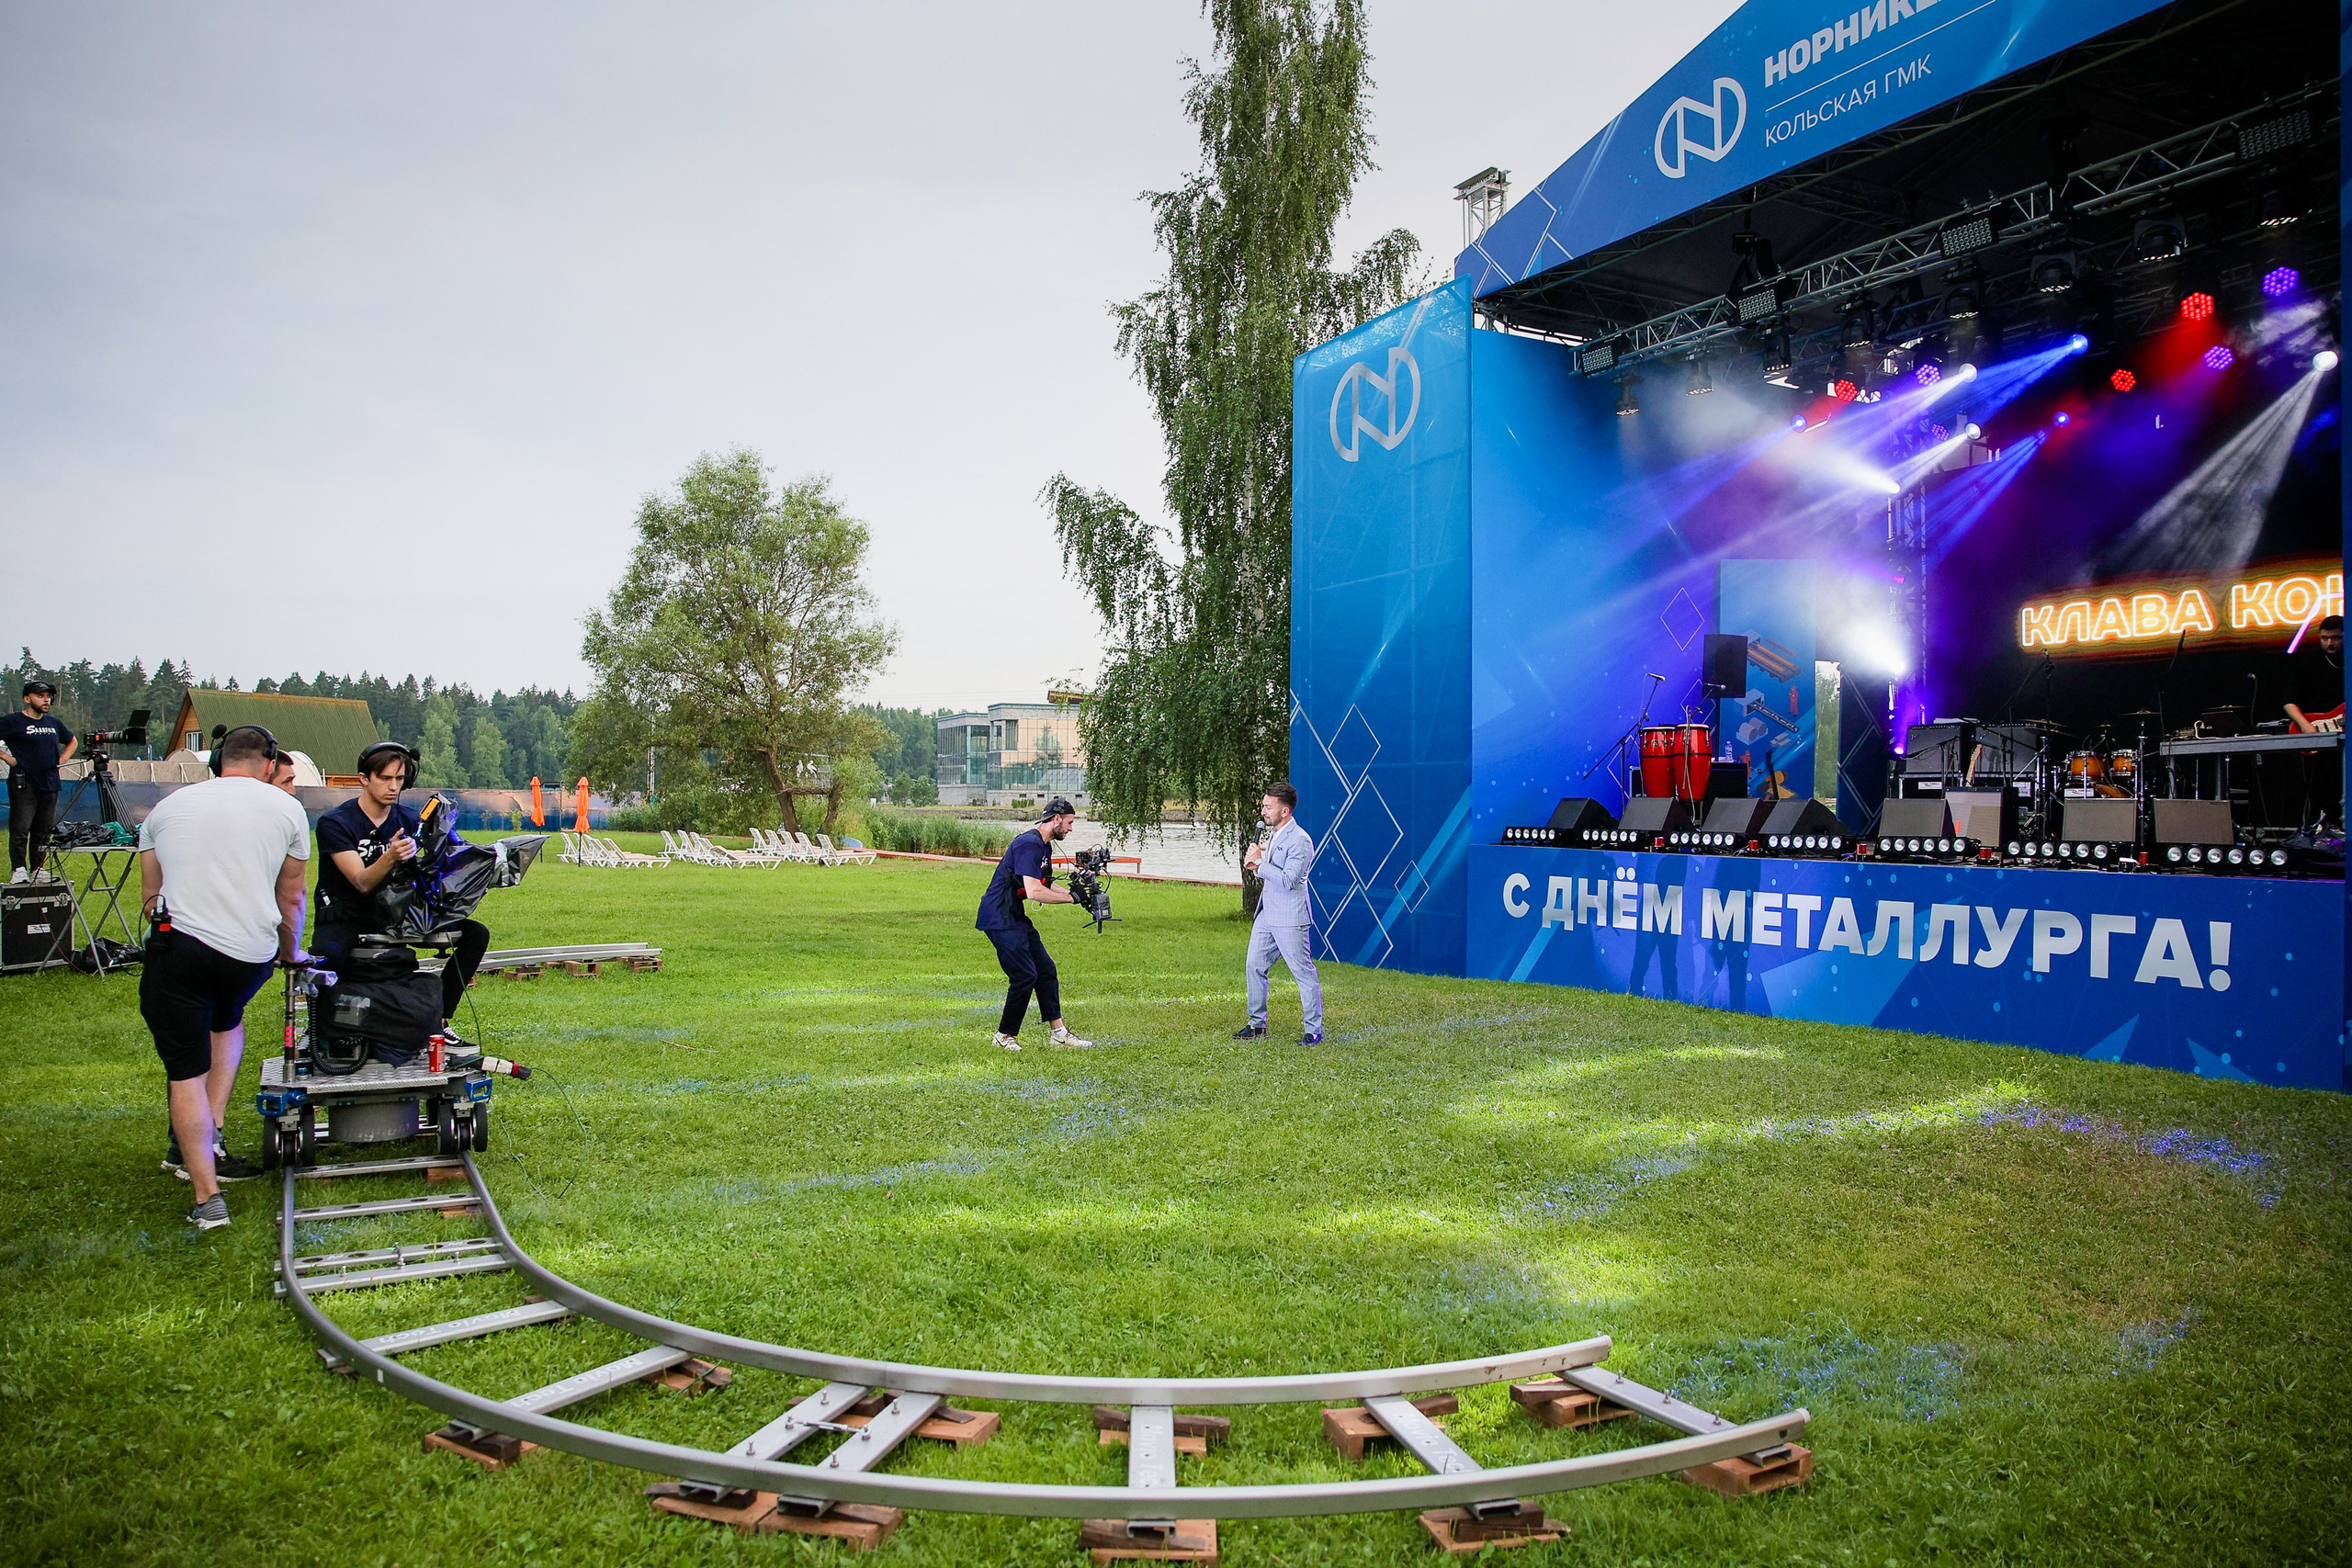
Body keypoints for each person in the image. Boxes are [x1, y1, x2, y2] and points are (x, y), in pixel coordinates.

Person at [137, 725, 311, 1230]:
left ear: (218, 759)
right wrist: (290, 951)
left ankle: (207, 1198)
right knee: (226, 1020)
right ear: (268, 762)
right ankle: (209, 1132)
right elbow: (291, 898)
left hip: (181, 950)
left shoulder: (166, 809)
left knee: (185, 1071)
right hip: (249, 956)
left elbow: (152, 898)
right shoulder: (287, 809)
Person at [311, 741, 489, 1040]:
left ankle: (440, 1020)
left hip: (399, 912)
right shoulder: (335, 823)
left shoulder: (410, 820)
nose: (393, 786)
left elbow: (452, 855)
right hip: (347, 912)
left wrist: (483, 860)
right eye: (385, 778)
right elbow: (361, 882)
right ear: (364, 779)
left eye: (400, 778)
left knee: (476, 934)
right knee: (329, 957)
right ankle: (328, 1025)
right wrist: (391, 855)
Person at [975, 795, 1092, 1052]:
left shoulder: (1044, 846)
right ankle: (1004, 1036)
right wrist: (1071, 899)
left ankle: (1059, 1034)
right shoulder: (1028, 844)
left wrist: (1078, 895)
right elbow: (1034, 891)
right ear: (1057, 819)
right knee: (1025, 975)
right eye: (1070, 823)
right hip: (998, 916)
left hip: (1014, 915)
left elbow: (1046, 883)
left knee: (1046, 969)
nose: (1071, 829)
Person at [1234, 781, 1323, 1045]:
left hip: (1290, 917)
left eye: (1267, 807)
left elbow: (1288, 880)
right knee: (1254, 965)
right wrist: (1257, 863)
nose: (1263, 811)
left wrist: (1259, 863)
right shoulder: (1272, 834)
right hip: (1267, 914)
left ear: (1284, 811)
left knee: (1302, 972)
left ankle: (1313, 1030)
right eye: (1263, 805)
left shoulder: (1300, 840)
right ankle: (1256, 1024)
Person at [0, 679, 76, 884]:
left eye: (48, 696)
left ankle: (38, 868)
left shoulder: (53, 723)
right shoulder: (13, 722)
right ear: (27, 699)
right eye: (40, 696)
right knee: (21, 827)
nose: (46, 700)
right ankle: (18, 869)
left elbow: (72, 740)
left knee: (43, 830)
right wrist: (8, 758)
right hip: (23, 782)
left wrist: (63, 759)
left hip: (50, 782)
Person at [2284, 614, 2344, 733]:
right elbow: (2289, 701)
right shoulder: (2309, 665)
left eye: (2336, 638)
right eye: (2324, 638)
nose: (2329, 643)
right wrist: (2305, 725)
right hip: (2314, 727)